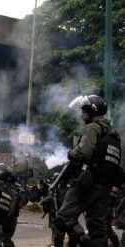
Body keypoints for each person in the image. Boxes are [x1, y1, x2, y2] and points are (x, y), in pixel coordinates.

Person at [55, 95, 123, 247]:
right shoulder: (114, 135)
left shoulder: (93, 128)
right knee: (98, 230)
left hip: (87, 183)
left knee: (63, 217)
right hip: (105, 188)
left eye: (84, 111)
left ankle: (82, 241)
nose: (82, 115)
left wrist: (71, 153)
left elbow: (83, 152)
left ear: (92, 111)